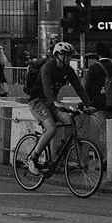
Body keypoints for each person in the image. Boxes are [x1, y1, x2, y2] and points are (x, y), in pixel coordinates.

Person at [26, 41, 91, 176]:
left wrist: (87, 104)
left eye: (70, 56)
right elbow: (47, 88)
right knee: (51, 128)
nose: (69, 59)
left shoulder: (68, 69)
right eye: (66, 56)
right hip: (37, 101)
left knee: (70, 120)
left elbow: (78, 87)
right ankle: (33, 158)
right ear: (58, 55)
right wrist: (54, 103)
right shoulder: (47, 68)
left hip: (52, 102)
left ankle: (61, 156)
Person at [85, 52, 112, 119]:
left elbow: (88, 87)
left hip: (98, 105)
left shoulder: (94, 67)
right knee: (111, 126)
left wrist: (88, 103)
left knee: (100, 126)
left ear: (98, 55)